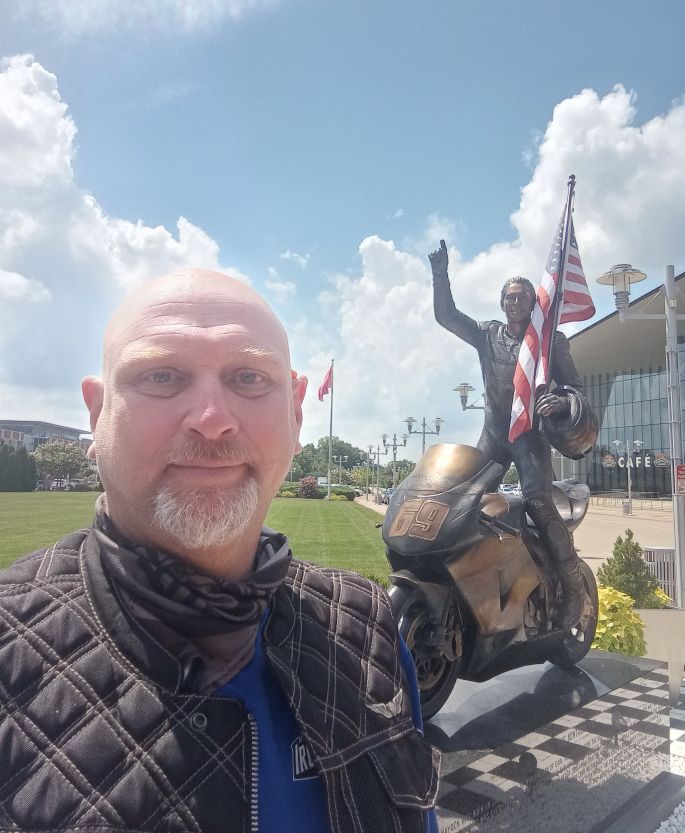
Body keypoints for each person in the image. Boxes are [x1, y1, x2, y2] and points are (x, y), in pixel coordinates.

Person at [0, 270, 439, 833]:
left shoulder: (368, 622)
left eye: (249, 377)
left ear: (296, 411)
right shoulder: (12, 654)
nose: (212, 420)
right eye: (161, 375)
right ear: (97, 413)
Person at [429, 240, 587, 630]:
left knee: (536, 501)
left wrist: (562, 404)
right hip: (493, 436)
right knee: (463, 498)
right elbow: (447, 317)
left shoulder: (550, 342)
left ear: (533, 302)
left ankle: (571, 582)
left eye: (522, 298)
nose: (515, 303)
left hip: (529, 437)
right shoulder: (487, 334)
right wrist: (439, 273)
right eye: (510, 298)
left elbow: (576, 388)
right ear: (501, 303)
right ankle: (477, 576)